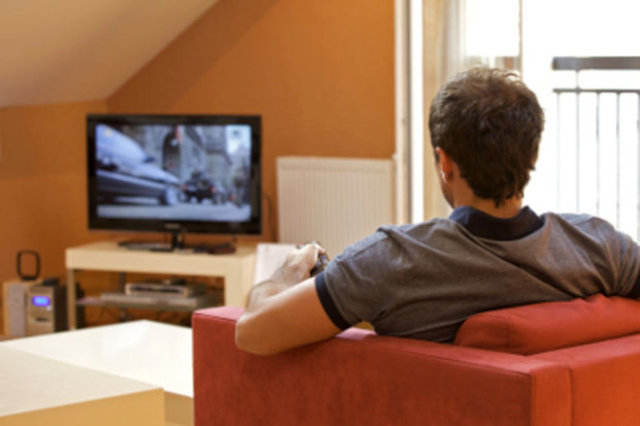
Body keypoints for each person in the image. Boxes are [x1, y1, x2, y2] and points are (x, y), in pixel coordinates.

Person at [235, 67, 640, 355]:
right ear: (532, 155)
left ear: (444, 164)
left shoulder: (390, 261)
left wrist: (288, 271)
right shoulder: (603, 247)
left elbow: (251, 334)